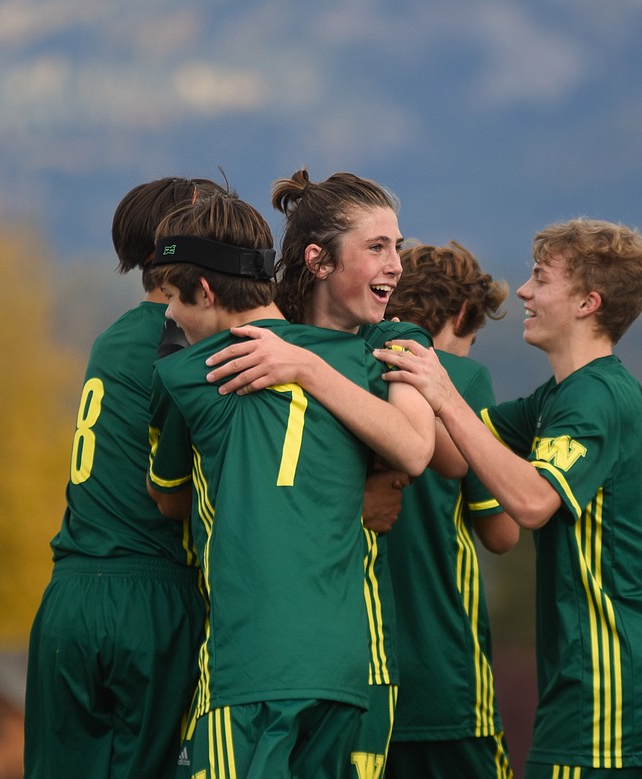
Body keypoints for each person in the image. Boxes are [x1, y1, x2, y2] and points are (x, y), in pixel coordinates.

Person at [375, 218, 642, 778]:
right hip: (621, 682)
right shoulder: (562, 395)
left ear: (586, 303)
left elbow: (529, 504)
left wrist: (442, 390)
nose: (524, 292)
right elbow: (457, 454)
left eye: (540, 278)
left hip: (613, 688)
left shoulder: (593, 397)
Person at [145, 184, 436, 779]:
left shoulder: (201, 369)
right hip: (341, 663)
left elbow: (167, 495)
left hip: (256, 662)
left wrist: (305, 367)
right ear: (317, 260)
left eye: (173, 297)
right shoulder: (371, 357)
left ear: (202, 291)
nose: (397, 263)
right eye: (378, 246)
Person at [24, 177, 217, 779]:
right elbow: (184, 494)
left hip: (69, 596)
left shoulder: (110, 340)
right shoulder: (193, 345)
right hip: (152, 596)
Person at [380, 241, 519, 779]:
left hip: (365, 671)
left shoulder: (356, 369)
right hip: (447, 671)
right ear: (462, 314)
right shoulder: (464, 382)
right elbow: (501, 531)